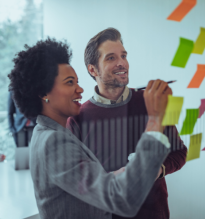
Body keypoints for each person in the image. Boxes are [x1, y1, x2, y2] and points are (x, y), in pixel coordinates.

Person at [8, 38, 172, 219]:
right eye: (70, 82)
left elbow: (81, 183)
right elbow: (121, 199)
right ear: (43, 93)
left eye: (123, 56)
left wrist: (116, 175)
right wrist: (156, 119)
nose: (80, 89)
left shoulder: (48, 134)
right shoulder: (54, 141)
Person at [67, 28, 188, 219]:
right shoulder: (77, 118)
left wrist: (159, 169)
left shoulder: (151, 102)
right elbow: (77, 181)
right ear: (92, 69)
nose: (122, 63)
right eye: (111, 58)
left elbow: (180, 152)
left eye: (123, 56)